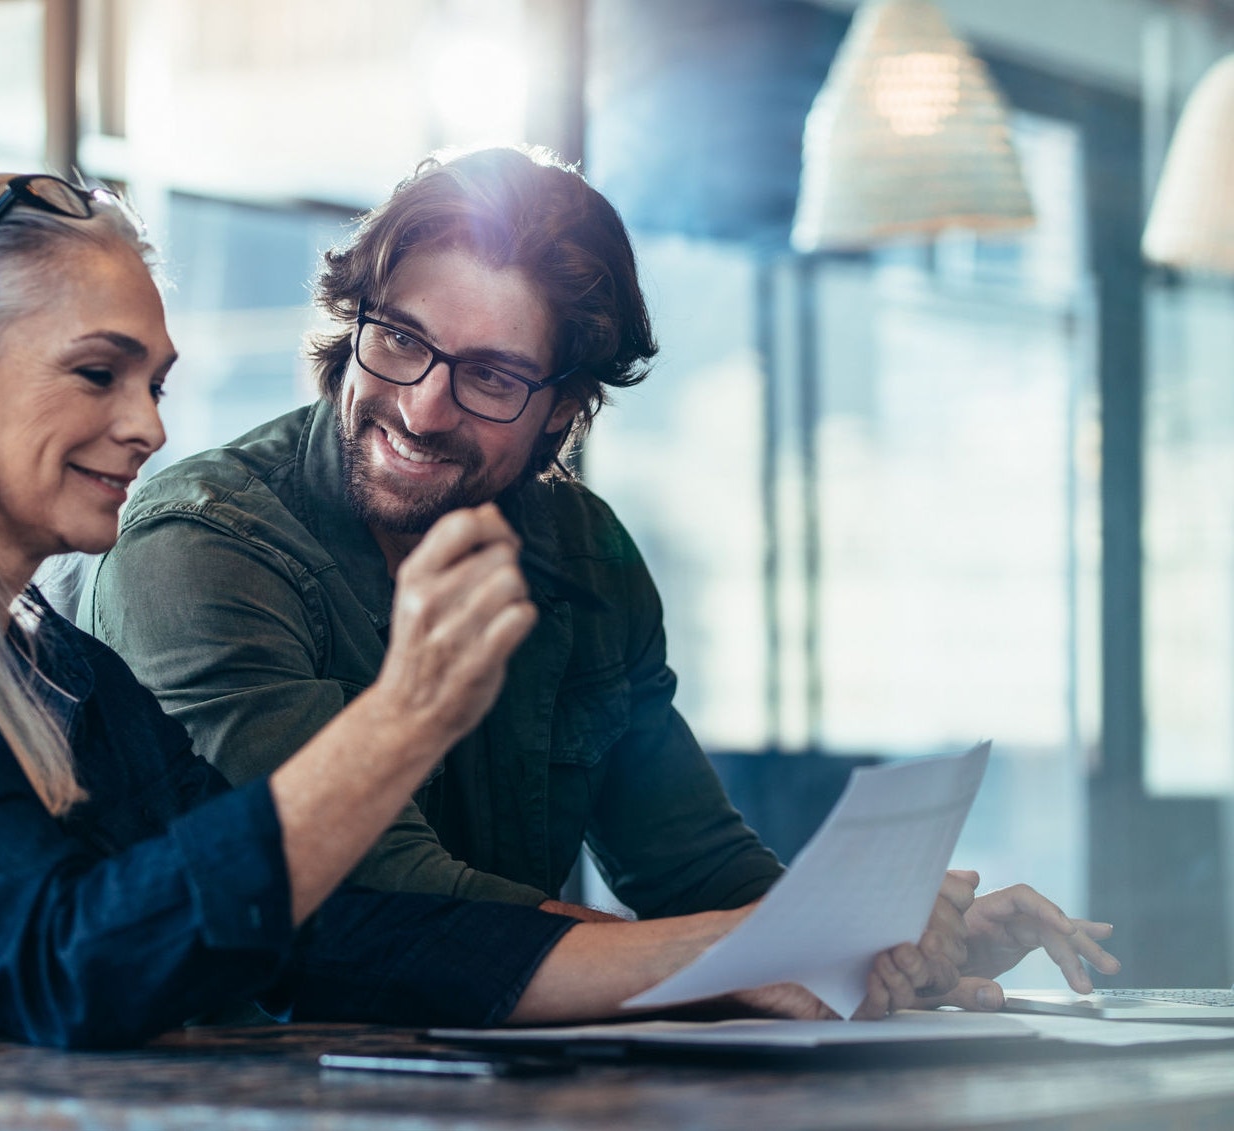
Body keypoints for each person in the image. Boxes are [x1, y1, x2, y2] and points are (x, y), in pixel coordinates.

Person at [0, 172, 962, 1051]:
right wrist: (407, 716)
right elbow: (70, 967)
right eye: (99, 373)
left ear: (563, 411)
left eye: (156, 382)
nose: (147, 425)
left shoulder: (62, 670)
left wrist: (778, 948)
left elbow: (323, 930)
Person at [82, 146, 1119, 1008]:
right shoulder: (202, 547)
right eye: (399, 339)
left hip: (493, 1089)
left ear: (565, 409)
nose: (424, 407)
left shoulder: (583, 554)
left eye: (491, 375)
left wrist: (870, 950)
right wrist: (761, 954)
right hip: (234, 1091)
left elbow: (694, 866)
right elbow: (383, 897)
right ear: (354, 324)